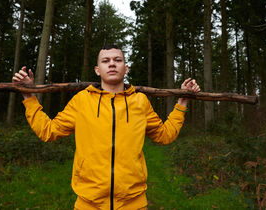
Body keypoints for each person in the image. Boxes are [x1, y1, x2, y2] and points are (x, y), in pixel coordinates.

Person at [12, 44, 200, 210]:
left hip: (133, 203)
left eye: (117, 60)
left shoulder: (140, 102)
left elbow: (165, 135)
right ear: (97, 70)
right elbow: (48, 131)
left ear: (125, 69)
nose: (112, 64)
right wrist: (29, 96)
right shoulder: (82, 100)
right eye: (106, 61)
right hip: (88, 203)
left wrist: (182, 102)